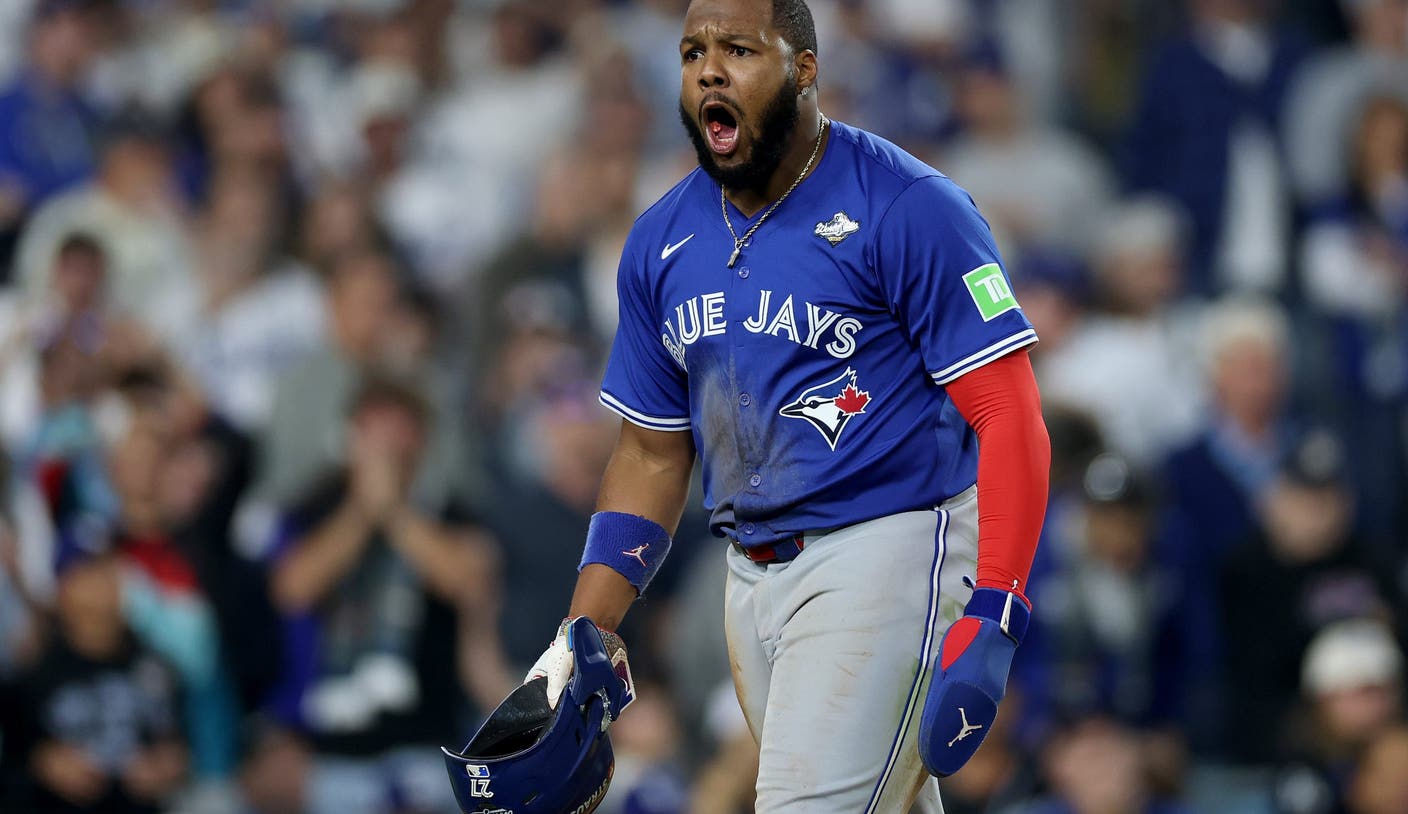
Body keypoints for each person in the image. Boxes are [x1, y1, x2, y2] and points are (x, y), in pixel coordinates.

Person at [517, 1, 1050, 811]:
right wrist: (584, 631)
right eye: (693, 52)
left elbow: (1009, 414)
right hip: (748, 576)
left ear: (803, 69)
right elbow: (652, 452)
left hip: (888, 552)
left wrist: (998, 603)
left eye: (738, 49)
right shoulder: (660, 240)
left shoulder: (909, 205)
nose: (709, 70)